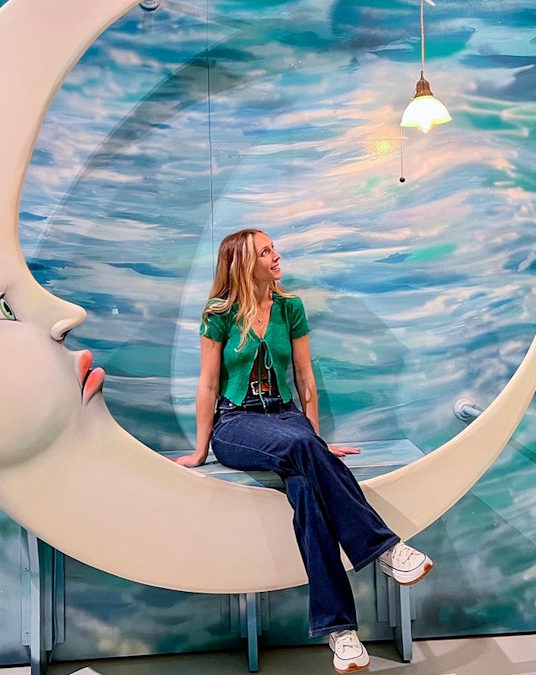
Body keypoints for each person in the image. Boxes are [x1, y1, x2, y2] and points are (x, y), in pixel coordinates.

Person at [173, 228, 434, 674]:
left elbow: (305, 379)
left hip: (287, 418)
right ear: (244, 264)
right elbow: (208, 384)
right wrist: (200, 451)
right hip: (236, 424)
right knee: (301, 447)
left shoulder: (290, 308)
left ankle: (340, 631)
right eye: (266, 251)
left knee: (307, 492)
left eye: (273, 248)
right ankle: (383, 549)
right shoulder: (218, 314)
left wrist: (314, 441)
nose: (276, 256)